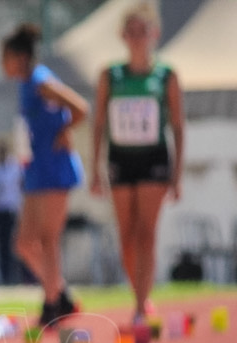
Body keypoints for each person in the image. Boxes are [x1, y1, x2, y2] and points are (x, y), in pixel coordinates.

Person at [90, 2, 184, 325]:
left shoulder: (166, 76)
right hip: (120, 159)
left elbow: (178, 127)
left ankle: (141, 306)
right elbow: (98, 124)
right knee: (127, 238)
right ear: (122, 36)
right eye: (130, 32)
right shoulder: (110, 75)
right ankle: (139, 292)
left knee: (147, 233)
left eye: (142, 31)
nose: (136, 38)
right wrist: (95, 169)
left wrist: (178, 175)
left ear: (154, 34)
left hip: (154, 159)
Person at [2, 23, 88, 326]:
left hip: (54, 167)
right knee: (24, 243)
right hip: (35, 169)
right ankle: (60, 293)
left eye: (6, 58)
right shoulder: (25, 84)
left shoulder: (41, 81)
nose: (3, 64)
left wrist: (65, 131)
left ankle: (51, 303)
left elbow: (80, 108)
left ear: (20, 57)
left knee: (48, 239)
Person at [0, 140, 25, 285]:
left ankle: (20, 277)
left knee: (17, 244)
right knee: (3, 245)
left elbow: (23, 185)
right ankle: (6, 277)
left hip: (13, 210)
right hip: (0, 211)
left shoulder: (15, 167)